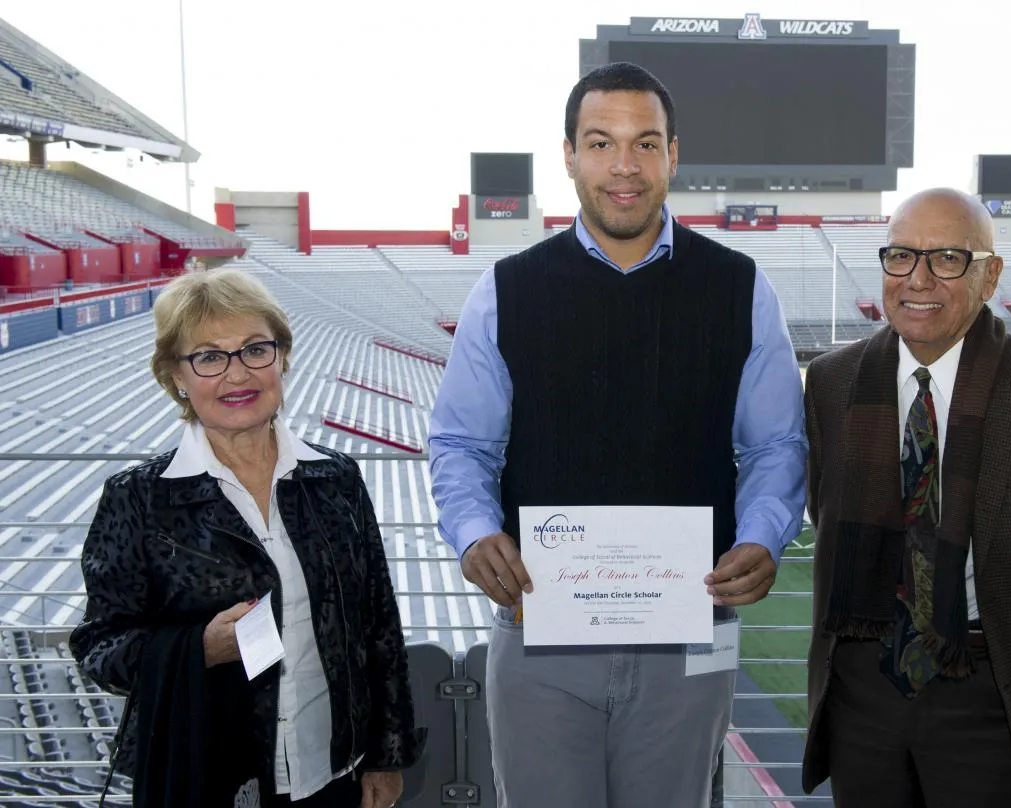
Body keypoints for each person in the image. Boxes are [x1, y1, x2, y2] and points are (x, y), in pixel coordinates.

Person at [428, 62, 807, 808]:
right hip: (540, 633)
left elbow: (774, 447)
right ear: (568, 154)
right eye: (600, 143)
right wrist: (474, 533)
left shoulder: (742, 288)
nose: (624, 166)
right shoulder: (505, 291)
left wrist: (763, 536)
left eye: (645, 143)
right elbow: (461, 445)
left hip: (691, 632)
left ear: (673, 155)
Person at [800, 188, 1011, 808]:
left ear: (989, 274)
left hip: (995, 691)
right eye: (900, 256)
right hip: (863, 691)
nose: (918, 278)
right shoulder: (832, 382)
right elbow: (826, 511)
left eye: (946, 258)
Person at [70, 268, 421, 808]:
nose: (238, 374)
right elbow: (98, 646)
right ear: (175, 376)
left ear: (281, 357)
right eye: (209, 356)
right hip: (208, 778)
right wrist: (199, 648)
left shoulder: (335, 479)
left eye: (255, 349)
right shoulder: (138, 497)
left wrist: (386, 753)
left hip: (333, 773)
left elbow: (379, 624)